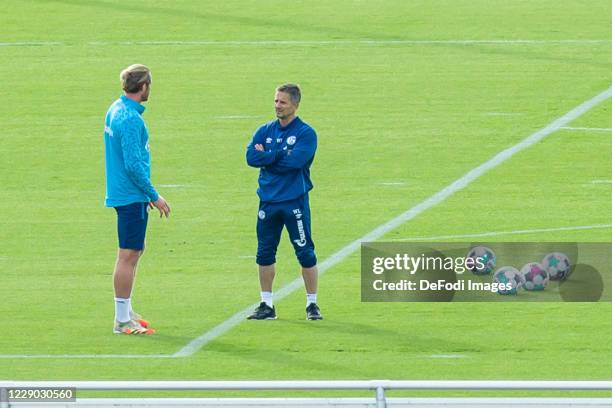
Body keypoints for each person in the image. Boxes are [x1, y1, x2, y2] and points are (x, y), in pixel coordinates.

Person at [246, 84, 322, 320]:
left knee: (305, 252)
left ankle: (312, 304)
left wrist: (267, 157)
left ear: (295, 105)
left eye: (283, 102)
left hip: (294, 202)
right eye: (276, 101)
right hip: (268, 202)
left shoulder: (305, 133)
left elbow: (296, 162)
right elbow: (251, 157)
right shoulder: (265, 130)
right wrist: (277, 156)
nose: (277, 106)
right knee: (264, 253)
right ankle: (266, 304)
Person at [104, 64, 171, 335]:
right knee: (128, 255)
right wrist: (154, 195)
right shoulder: (131, 119)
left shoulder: (115, 108)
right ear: (143, 86)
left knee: (133, 252)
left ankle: (126, 310)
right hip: (131, 194)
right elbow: (133, 165)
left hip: (123, 191)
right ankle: (121, 320)